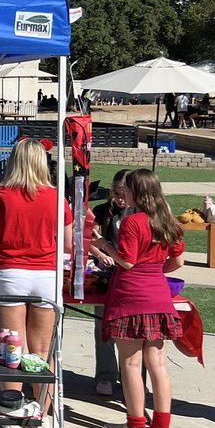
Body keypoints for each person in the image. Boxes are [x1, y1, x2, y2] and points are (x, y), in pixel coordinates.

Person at [0, 138, 73, 428]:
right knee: (42, 350)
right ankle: (42, 414)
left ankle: (12, 410)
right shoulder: (58, 198)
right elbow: (68, 245)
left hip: (9, 273)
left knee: (10, 347)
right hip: (46, 275)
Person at [93, 169, 184, 428]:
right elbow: (178, 262)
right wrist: (155, 271)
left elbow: (128, 262)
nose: (123, 194)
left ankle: (136, 424)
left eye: (127, 189)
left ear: (138, 192)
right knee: (158, 364)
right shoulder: (168, 221)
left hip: (130, 296)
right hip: (159, 296)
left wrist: (103, 245)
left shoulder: (133, 222)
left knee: (131, 363)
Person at [88, 170, 131, 397]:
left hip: (130, 278)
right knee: (102, 326)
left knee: (132, 331)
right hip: (106, 274)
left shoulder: (139, 214)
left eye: (123, 192)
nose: (119, 196)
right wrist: (101, 252)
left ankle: (131, 378)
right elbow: (89, 239)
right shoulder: (102, 211)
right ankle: (105, 375)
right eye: (115, 191)